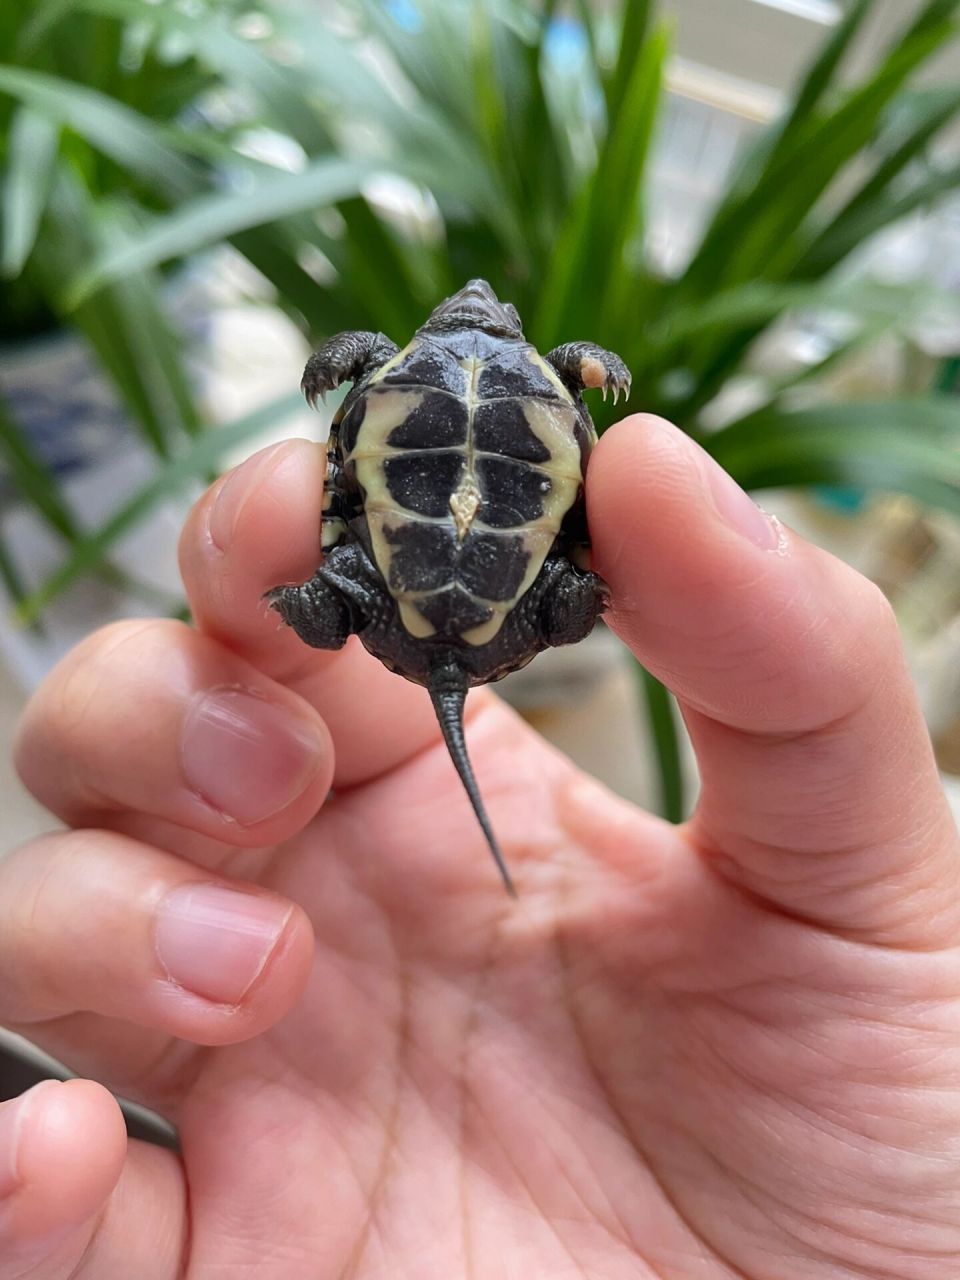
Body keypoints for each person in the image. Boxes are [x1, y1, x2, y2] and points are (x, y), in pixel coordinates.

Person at [1, 415, 958, 1279]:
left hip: (391, 605)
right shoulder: (548, 389)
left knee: (280, 582)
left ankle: (317, 607)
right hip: (500, 604)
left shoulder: (391, 379)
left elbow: (340, 417)